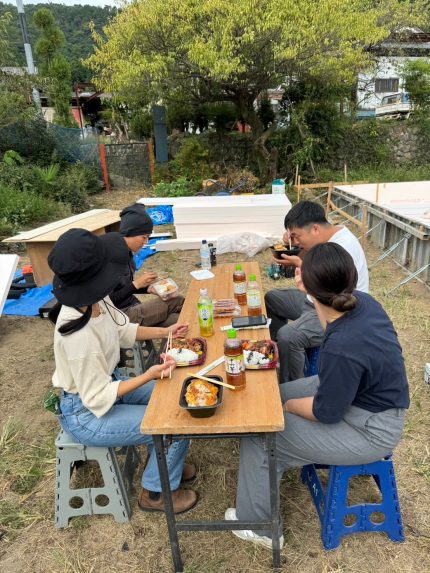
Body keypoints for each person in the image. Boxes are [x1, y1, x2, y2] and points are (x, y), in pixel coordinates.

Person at [226, 242, 409, 548]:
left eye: (301, 272)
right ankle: (267, 476)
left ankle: (260, 527)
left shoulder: (342, 345)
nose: (296, 276)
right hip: (362, 399)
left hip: (372, 429)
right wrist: (284, 403)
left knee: (263, 430)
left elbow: (326, 412)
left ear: (309, 291)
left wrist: (290, 407)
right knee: (269, 397)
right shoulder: (363, 302)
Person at [48, 228, 198, 514]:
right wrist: (148, 375)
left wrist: (166, 331)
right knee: (172, 422)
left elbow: (122, 329)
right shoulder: (77, 335)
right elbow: (96, 397)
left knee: (174, 394)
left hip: (107, 387)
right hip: (87, 414)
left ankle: (168, 465)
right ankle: (155, 492)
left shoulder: (95, 301)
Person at [265, 200, 369, 382]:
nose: (295, 242)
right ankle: (283, 354)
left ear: (314, 229)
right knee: (272, 298)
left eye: (297, 236)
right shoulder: (325, 237)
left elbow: (326, 287)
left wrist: (299, 264)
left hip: (338, 310)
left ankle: (291, 385)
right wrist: (292, 247)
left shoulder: (343, 246)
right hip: (315, 299)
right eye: (292, 237)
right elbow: (311, 260)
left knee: (288, 336)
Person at [109, 203, 185, 328]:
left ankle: (171, 347)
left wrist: (149, 288)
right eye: (143, 237)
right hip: (120, 315)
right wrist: (136, 284)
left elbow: (123, 287)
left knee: (179, 321)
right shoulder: (111, 258)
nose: (146, 242)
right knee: (178, 301)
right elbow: (109, 301)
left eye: (148, 237)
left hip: (133, 306)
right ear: (129, 232)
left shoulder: (127, 253)